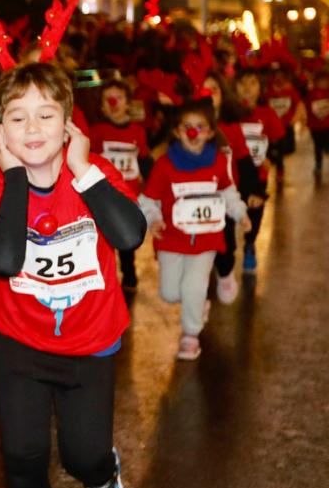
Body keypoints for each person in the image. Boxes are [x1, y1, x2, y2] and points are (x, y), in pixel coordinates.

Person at [0, 63, 146, 488]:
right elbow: (4, 259)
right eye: (17, 117)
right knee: (22, 456)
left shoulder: (95, 176)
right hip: (21, 346)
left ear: (69, 125)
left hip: (90, 346)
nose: (32, 129)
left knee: (81, 455)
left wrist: (86, 170)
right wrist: (14, 178)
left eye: (46, 115)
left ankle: (101, 478)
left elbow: (130, 235)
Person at [139, 101, 250, 360]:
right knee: (169, 293)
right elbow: (147, 201)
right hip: (171, 240)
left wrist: (240, 213)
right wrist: (153, 219)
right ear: (177, 132)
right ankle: (198, 303)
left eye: (200, 127)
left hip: (206, 240)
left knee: (193, 286)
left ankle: (190, 335)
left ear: (210, 132)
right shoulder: (164, 165)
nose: (193, 132)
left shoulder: (218, 162)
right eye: (187, 127)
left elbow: (227, 192)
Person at [88, 79, 152, 291]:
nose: (113, 103)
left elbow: (144, 159)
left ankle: (129, 272)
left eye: (119, 98)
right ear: (102, 106)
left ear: (128, 103)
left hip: (128, 195)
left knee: (126, 235)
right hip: (103, 195)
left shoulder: (138, 131)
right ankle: (104, 277)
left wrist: (152, 189)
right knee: (102, 238)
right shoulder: (96, 131)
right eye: (108, 100)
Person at [206, 72, 261, 304]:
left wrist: (255, 190)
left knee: (226, 246)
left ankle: (225, 271)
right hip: (194, 198)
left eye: (214, 89)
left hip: (225, 198)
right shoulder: (184, 126)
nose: (208, 95)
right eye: (202, 89)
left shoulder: (231, 127)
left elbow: (244, 161)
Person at [234, 68, 285, 275]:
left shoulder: (267, 114)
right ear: (234, 87)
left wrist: (270, 159)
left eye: (252, 83)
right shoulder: (229, 114)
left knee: (254, 215)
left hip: (257, 177)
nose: (247, 89)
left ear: (260, 88)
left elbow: (279, 141)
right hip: (231, 177)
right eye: (242, 84)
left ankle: (249, 244)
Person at [306, 69, 329, 175]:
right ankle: (318, 163)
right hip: (315, 127)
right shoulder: (311, 94)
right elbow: (308, 108)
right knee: (318, 146)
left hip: (327, 125)